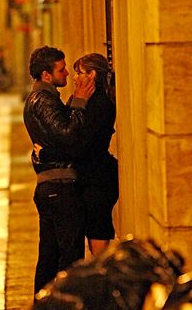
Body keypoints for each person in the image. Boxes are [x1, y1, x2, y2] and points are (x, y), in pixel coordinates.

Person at [23, 45, 95, 295]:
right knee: (69, 256)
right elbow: (68, 135)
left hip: (52, 188)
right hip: (59, 189)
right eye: (61, 70)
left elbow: (55, 142)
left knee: (51, 257)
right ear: (46, 75)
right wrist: (80, 102)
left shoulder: (45, 98)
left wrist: (44, 153)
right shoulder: (43, 100)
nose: (66, 74)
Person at [36, 53, 119, 257]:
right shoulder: (87, 100)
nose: (74, 77)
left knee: (97, 230)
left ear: (92, 75)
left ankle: (100, 279)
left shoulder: (99, 104)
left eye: (79, 73)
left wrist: (46, 153)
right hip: (88, 175)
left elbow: (79, 144)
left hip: (97, 178)